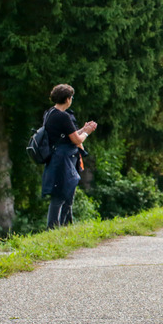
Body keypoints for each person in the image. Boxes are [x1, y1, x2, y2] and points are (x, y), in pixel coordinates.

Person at [42, 84, 97, 229]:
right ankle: (52, 229)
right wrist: (87, 132)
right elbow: (76, 140)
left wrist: (82, 129)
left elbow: (66, 135)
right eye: (71, 97)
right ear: (67, 99)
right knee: (60, 195)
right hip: (63, 159)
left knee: (67, 193)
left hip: (56, 157)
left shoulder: (50, 113)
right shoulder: (63, 116)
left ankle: (66, 227)